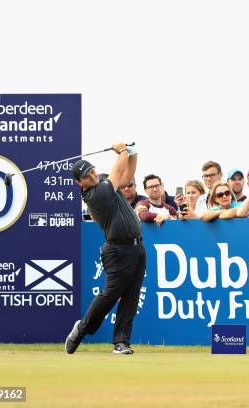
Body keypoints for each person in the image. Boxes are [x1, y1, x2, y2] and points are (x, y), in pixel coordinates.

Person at [65, 142, 145, 355]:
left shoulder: (102, 181)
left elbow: (126, 179)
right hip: (117, 250)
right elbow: (118, 171)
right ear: (78, 182)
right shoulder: (96, 193)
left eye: (91, 170)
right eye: (86, 175)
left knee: (132, 297)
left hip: (137, 247)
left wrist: (132, 154)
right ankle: (82, 329)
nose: (92, 175)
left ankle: (121, 342)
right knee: (110, 295)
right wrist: (122, 151)